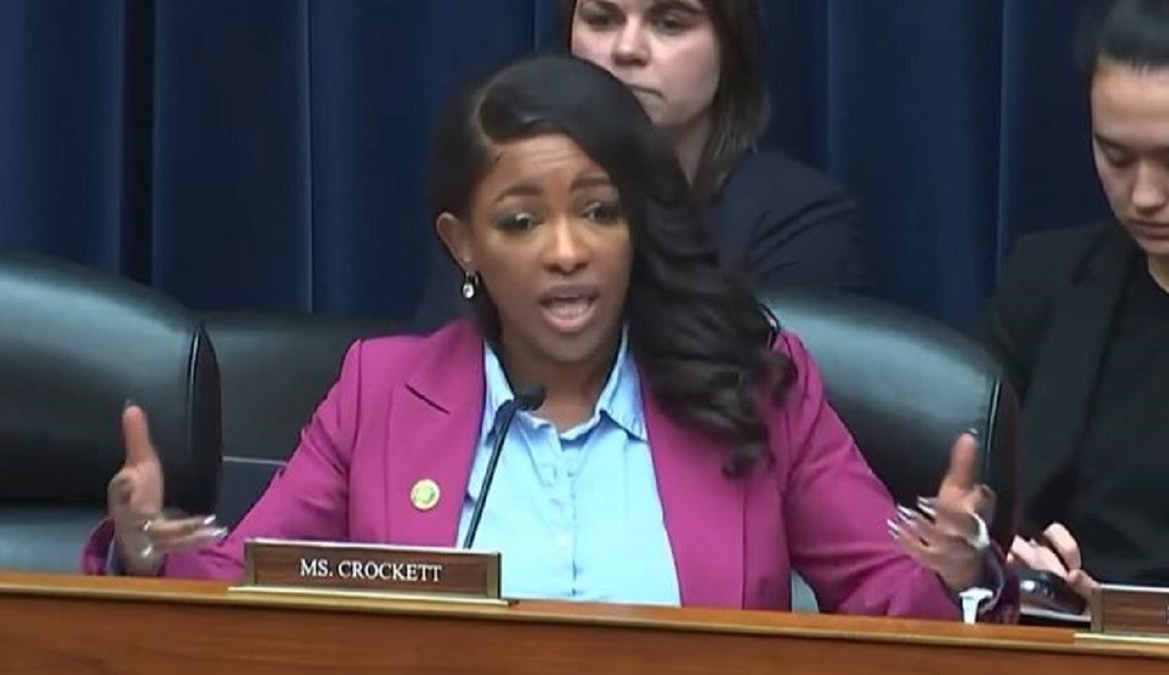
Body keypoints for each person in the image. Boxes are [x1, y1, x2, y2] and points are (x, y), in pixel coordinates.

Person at [87, 54, 1003, 619]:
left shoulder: (755, 385)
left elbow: (893, 602)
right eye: (522, 223)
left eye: (599, 211)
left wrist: (955, 574)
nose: (568, 252)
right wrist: (147, 553)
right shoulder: (382, 394)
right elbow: (256, 588)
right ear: (464, 245)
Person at [411, 0, 867, 331]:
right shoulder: (498, 198)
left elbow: (774, 416)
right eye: (602, 19)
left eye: (669, 23)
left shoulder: (799, 222)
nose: (627, 49)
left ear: (730, 46)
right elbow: (435, 391)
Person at [980, 0, 1169, 601]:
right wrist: (999, 546)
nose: (1143, 195)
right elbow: (967, 478)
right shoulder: (1047, 281)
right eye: (1116, 157)